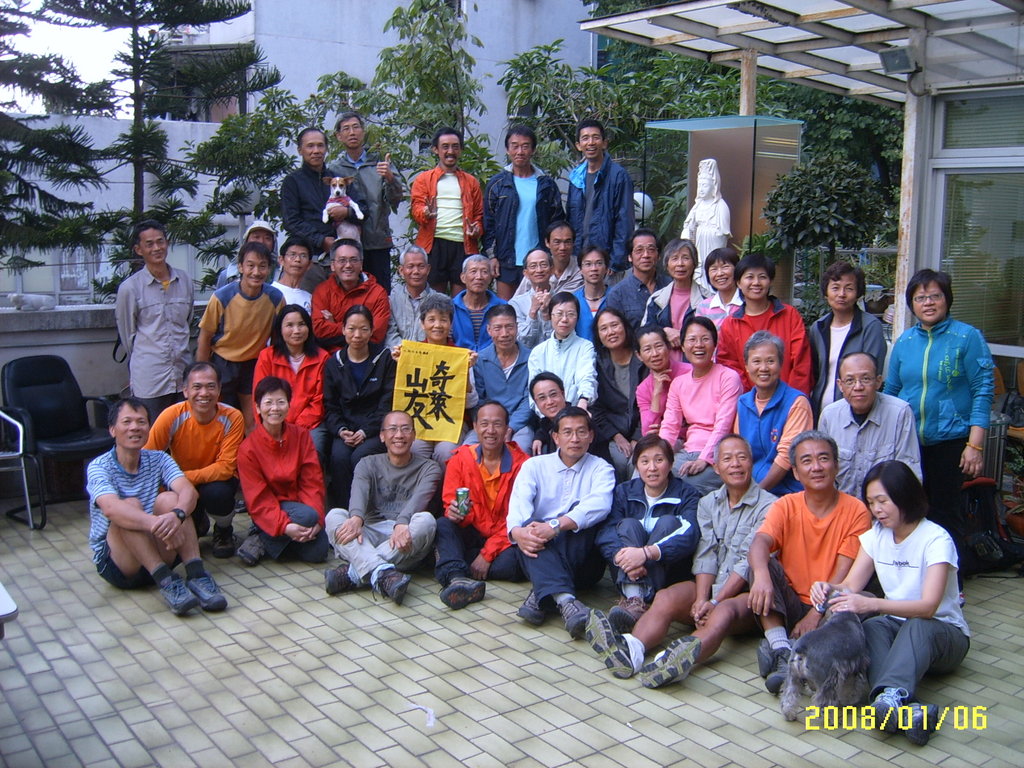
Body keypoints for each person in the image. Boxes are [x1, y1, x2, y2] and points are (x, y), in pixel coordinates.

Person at [586, 434, 776, 687]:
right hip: (711, 589)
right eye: (727, 459)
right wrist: (701, 598)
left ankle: (672, 661)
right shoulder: (708, 502)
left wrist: (715, 601)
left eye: (742, 457)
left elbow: (746, 562)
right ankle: (631, 651)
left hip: (746, 597)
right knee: (666, 597)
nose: (735, 464)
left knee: (723, 612)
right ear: (716, 467)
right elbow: (706, 553)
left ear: (752, 462)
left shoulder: (771, 506)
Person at [811, 460, 970, 747]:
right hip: (899, 630)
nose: (877, 510)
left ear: (905, 495)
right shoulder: (875, 537)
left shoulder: (936, 539)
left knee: (917, 624)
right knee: (872, 628)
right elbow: (850, 586)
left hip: (944, 636)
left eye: (883, 501)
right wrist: (827, 587)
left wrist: (873, 605)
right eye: (871, 502)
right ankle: (909, 709)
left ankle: (891, 697)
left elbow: (928, 607)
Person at [747, 430, 871, 693]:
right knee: (760, 566)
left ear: (836, 465)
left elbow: (844, 574)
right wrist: (761, 575)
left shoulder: (856, 510)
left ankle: (793, 660)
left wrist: (816, 613)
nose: (816, 467)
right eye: (807, 461)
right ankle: (782, 650)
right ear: (795, 471)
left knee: (857, 605)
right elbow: (760, 542)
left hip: (829, 605)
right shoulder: (786, 505)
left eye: (823, 458)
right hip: (791, 603)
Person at [883, 269, 994, 563]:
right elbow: (891, 391)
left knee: (946, 515)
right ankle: (913, 572)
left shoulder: (967, 337)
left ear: (947, 299)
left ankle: (949, 580)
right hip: (909, 443)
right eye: (920, 298)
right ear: (911, 304)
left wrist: (975, 444)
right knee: (909, 510)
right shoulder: (905, 341)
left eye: (935, 296)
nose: (928, 303)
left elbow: (983, 391)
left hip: (950, 442)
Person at [87, 397, 227, 615]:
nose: (135, 427)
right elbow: (110, 508)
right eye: (127, 422)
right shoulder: (99, 466)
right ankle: (167, 582)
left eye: (141, 422)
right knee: (129, 506)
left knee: (171, 500)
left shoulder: (159, 458)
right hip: (120, 565)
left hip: (159, 549)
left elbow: (188, 491)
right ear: (112, 430)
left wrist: (176, 515)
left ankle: (197, 574)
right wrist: (155, 523)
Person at [508, 407, 615, 639]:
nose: (575, 439)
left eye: (581, 432)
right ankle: (566, 601)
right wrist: (517, 533)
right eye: (567, 432)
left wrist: (555, 526)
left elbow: (600, 504)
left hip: (583, 563)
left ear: (591, 436)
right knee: (530, 525)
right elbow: (518, 504)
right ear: (555, 437)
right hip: (538, 548)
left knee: (580, 520)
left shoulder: (602, 468)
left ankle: (541, 594)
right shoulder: (534, 466)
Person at [323, 410, 440, 605]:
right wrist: (356, 518)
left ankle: (354, 573)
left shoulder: (429, 468)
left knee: (426, 521)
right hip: (367, 533)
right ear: (382, 436)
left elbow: (419, 500)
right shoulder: (367, 463)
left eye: (405, 429)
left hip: (403, 539)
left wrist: (402, 523)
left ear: (414, 435)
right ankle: (383, 573)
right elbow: (358, 494)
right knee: (334, 516)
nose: (399, 435)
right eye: (392, 429)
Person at [594, 435, 701, 633]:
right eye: (644, 461)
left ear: (671, 463)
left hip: (668, 577)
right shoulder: (624, 492)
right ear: (637, 466)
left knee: (668, 522)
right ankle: (635, 598)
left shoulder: (687, 494)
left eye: (659, 460)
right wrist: (622, 557)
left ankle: (634, 602)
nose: (652, 468)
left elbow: (690, 533)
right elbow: (607, 530)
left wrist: (646, 554)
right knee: (628, 525)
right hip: (628, 571)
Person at [144, 362, 245, 559]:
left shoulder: (233, 417)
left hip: (214, 481)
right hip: (182, 484)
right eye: (197, 387)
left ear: (219, 389)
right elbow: (147, 457)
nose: (204, 393)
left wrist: (182, 478)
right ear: (185, 390)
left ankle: (223, 530)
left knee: (218, 493)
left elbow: (226, 467)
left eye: (210, 386)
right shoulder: (172, 415)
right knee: (188, 529)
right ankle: (198, 521)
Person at [435, 401, 530, 608]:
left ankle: (457, 567)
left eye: (497, 424)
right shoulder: (461, 458)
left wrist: (486, 555)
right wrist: (455, 514)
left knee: (515, 563)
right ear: (475, 427)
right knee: (444, 524)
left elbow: (519, 518)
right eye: (484, 424)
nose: (490, 430)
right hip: (471, 531)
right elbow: (450, 502)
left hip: (504, 539)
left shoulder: (523, 465)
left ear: (507, 428)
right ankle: (457, 580)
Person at [235, 377, 329, 566]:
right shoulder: (248, 448)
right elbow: (258, 498)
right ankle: (267, 531)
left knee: (319, 552)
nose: (275, 408)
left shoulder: (301, 436)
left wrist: (319, 520)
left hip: (299, 506)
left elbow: (312, 481)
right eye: (268, 403)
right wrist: (285, 527)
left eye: (280, 402)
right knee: (307, 517)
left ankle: (264, 538)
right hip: (271, 508)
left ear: (288, 405)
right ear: (258, 408)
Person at [196, 241, 285, 432]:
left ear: (269, 269)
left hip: (254, 363)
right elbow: (205, 337)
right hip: (223, 362)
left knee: (252, 419)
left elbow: (277, 339)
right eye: (250, 265)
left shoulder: (275, 298)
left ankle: (251, 451)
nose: (256, 272)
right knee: (218, 418)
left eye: (262, 266)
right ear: (240, 267)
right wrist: (202, 372)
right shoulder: (222, 297)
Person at [115, 219, 194, 419]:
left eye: (160, 241)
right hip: (150, 378)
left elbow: (188, 320)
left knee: (184, 431)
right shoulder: (130, 288)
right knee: (151, 431)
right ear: (138, 249)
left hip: (182, 373)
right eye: (149, 244)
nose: (157, 248)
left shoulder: (185, 280)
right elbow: (128, 335)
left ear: (167, 243)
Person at [818, 353, 921, 497]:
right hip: (842, 506)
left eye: (865, 379)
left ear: (878, 382)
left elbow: (910, 475)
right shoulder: (829, 415)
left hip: (885, 507)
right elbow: (823, 474)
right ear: (840, 385)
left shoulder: (900, 413)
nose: (858, 387)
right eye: (850, 380)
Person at [392, 293, 479, 465]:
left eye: (443, 320)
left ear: (450, 324)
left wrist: (466, 370)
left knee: (446, 452)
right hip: (418, 421)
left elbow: (471, 403)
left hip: (450, 423)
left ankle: (446, 485)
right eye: (431, 320)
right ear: (422, 323)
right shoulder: (410, 353)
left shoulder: (461, 355)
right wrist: (400, 364)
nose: (437, 325)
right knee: (414, 449)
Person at [659, 317, 742, 495]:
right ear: (682, 346)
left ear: (715, 344)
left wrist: (706, 458)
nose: (698, 345)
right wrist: (659, 455)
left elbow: (724, 424)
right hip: (688, 451)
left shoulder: (728, 377)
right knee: (648, 474)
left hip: (720, 453)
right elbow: (670, 425)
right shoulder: (679, 383)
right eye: (692, 339)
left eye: (705, 339)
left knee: (689, 484)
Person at [322, 305, 395, 508]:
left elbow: (387, 404)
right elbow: (330, 405)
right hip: (346, 428)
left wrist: (365, 431)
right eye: (351, 329)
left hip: (376, 429)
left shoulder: (384, 359)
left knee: (360, 456)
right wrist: (341, 430)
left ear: (372, 331)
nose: (357, 335)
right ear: (343, 329)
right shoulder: (334, 363)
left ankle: (366, 509)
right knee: (338, 457)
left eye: (363, 329)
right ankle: (343, 511)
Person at [482, 125, 565, 299]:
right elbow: (489, 224)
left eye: (525, 146)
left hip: (539, 261)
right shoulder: (497, 184)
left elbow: (557, 222)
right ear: (507, 150)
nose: (520, 151)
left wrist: (554, 256)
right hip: (506, 259)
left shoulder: (546, 184)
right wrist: (492, 257)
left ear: (533, 150)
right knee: (506, 309)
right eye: (515, 146)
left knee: (540, 307)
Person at [280, 127, 364, 290]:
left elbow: (364, 209)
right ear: (300, 150)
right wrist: (320, 240)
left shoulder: (337, 179)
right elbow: (291, 221)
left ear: (326, 149)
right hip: (310, 260)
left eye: (320, 145)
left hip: (341, 260)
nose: (316, 151)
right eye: (310, 146)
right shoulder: (293, 181)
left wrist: (347, 212)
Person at [717, 252, 812, 396]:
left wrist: (793, 399)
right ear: (738, 283)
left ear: (770, 281)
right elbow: (730, 368)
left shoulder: (789, 315)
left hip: (789, 400)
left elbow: (802, 363)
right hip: (749, 402)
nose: (756, 282)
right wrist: (751, 399)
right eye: (749, 277)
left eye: (762, 277)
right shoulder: (730, 324)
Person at [333, 111, 406, 293]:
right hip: (347, 243)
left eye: (356, 127)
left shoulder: (379, 163)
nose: (352, 133)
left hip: (377, 241)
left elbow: (396, 199)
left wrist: (390, 178)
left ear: (363, 131)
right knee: (348, 293)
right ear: (339, 136)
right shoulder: (335, 169)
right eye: (346, 129)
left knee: (379, 293)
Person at [734, 331, 813, 495]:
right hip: (749, 486)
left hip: (785, 491)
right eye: (756, 361)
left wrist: (755, 495)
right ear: (746, 366)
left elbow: (786, 457)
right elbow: (740, 450)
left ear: (780, 364)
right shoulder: (743, 403)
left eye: (770, 361)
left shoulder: (797, 403)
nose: (763, 368)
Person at [410, 126, 483, 294]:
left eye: (455, 147)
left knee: (463, 298)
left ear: (461, 150)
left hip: (463, 246)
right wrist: (425, 212)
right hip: (434, 245)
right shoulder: (423, 179)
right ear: (435, 149)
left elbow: (479, 215)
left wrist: (477, 229)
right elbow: (416, 209)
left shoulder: (471, 182)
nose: (450, 151)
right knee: (434, 299)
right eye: (445, 147)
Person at [809, 261, 887, 416]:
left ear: (858, 293)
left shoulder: (870, 327)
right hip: (821, 412)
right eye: (835, 288)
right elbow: (814, 373)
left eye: (849, 288)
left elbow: (871, 373)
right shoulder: (818, 328)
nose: (842, 294)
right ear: (826, 292)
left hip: (856, 411)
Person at [253, 304, 330, 458]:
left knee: (313, 450)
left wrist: (295, 428)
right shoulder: (267, 357)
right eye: (289, 325)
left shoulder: (322, 357)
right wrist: (279, 424)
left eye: (301, 324)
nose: (296, 331)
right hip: (273, 421)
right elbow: (260, 397)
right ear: (280, 329)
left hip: (310, 425)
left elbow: (320, 400)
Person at [565, 118, 634, 276]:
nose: (590, 142)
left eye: (595, 137)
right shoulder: (576, 177)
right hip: (580, 260)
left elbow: (624, 221)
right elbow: (571, 219)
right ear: (578, 145)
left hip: (606, 262)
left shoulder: (618, 176)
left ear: (604, 143)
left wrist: (615, 262)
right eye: (585, 138)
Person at [471, 304, 534, 453]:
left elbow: (530, 399)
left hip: (520, 424)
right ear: (489, 330)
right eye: (498, 328)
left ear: (517, 327)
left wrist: (511, 426)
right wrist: (491, 425)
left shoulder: (532, 358)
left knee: (521, 449)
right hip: (488, 422)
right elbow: (478, 400)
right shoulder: (480, 360)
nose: (504, 334)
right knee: (469, 450)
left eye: (509, 327)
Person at [590, 308, 643, 481]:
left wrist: (637, 437)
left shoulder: (642, 359)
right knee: (619, 461)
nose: (610, 332)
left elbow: (651, 404)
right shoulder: (597, 364)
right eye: (604, 328)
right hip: (612, 432)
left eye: (614, 325)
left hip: (645, 429)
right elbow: (596, 408)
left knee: (637, 461)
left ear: (625, 327)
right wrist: (616, 436)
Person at [311, 239, 390, 352]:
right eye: (342, 260)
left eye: (353, 260)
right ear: (332, 265)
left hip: (365, 357)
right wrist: (360, 329)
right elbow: (319, 332)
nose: (348, 265)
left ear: (361, 264)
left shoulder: (377, 293)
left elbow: (375, 335)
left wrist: (334, 325)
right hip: (329, 357)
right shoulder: (322, 291)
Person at [642, 238, 710, 360]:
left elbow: (713, 336)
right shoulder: (656, 299)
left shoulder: (707, 299)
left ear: (694, 263)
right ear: (667, 265)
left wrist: (683, 336)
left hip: (696, 365)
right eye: (674, 258)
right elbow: (645, 334)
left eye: (685, 258)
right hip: (663, 364)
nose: (680, 264)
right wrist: (664, 332)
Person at [527, 292, 597, 412]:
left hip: (576, 413)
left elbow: (587, 377)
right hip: (547, 416)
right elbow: (534, 392)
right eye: (559, 314)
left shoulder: (585, 347)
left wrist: (583, 402)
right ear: (550, 316)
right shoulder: (538, 352)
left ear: (577, 317)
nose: (564, 319)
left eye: (570, 314)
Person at [681, 158, 731, 293]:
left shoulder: (720, 206)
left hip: (709, 249)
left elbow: (721, 236)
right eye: (700, 185)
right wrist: (689, 233)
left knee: (710, 273)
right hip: (697, 249)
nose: (701, 189)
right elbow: (687, 227)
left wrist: (703, 232)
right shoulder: (697, 206)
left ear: (713, 186)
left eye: (705, 185)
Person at [607, 228, 670, 333]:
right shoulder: (617, 294)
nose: (646, 255)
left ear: (658, 255)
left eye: (651, 249)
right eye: (639, 250)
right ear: (630, 257)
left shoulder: (671, 286)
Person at [636, 325, 690, 436]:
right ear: (639, 355)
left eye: (659, 346)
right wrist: (656, 393)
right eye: (647, 349)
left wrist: (667, 430)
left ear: (669, 347)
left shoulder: (689, 373)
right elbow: (648, 432)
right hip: (664, 442)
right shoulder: (643, 389)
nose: (655, 354)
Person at [385, 245, 439, 348]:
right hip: (397, 354)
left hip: (427, 355)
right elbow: (390, 334)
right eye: (410, 266)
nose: (416, 271)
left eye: (421, 266)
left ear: (428, 269)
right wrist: (407, 353)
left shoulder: (438, 301)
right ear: (401, 270)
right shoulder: (391, 300)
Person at [452, 254, 506, 351]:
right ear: (463, 277)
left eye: (484, 272)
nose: (479, 277)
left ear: (490, 278)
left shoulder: (503, 307)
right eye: (473, 271)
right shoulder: (450, 308)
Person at [509, 248, 553, 349]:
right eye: (533, 266)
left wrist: (546, 314)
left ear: (552, 270)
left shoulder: (562, 300)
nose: (539, 270)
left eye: (543, 265)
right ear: (526, 273)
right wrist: (533, 312)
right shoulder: (516, 303)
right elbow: (522, 343)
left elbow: (562, 340)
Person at [216, 220, 278, 289]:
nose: (261, 241)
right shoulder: (228, 275)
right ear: (246, 241)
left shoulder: (282, 272)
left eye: (267, 238)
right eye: (256, 237)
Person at [694, 246, 743, 331]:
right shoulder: (703, 307)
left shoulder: (748, 302)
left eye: (725, 267)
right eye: (714, 269)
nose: (719, 273)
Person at [573, 244, 609, 343]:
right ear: (580, 269)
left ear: (606, 268)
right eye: (588, 264)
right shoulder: (573, 301)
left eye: (599, 263)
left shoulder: (616, 297)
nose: (594, 268)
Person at [271, 236, 314, 312]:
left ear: (309, 264)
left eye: (303, 256)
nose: (297, 259)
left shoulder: (310, 299)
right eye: (292, 254)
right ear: (281, 260)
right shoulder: (269, 293)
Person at [528, 372, 567, 456]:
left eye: (553, 394)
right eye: (542, 398)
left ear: (563, 394)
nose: (549, 402)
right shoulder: (546, 423)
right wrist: (538, 438)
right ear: (536, 403)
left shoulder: (578, 419)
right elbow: (543, 429)